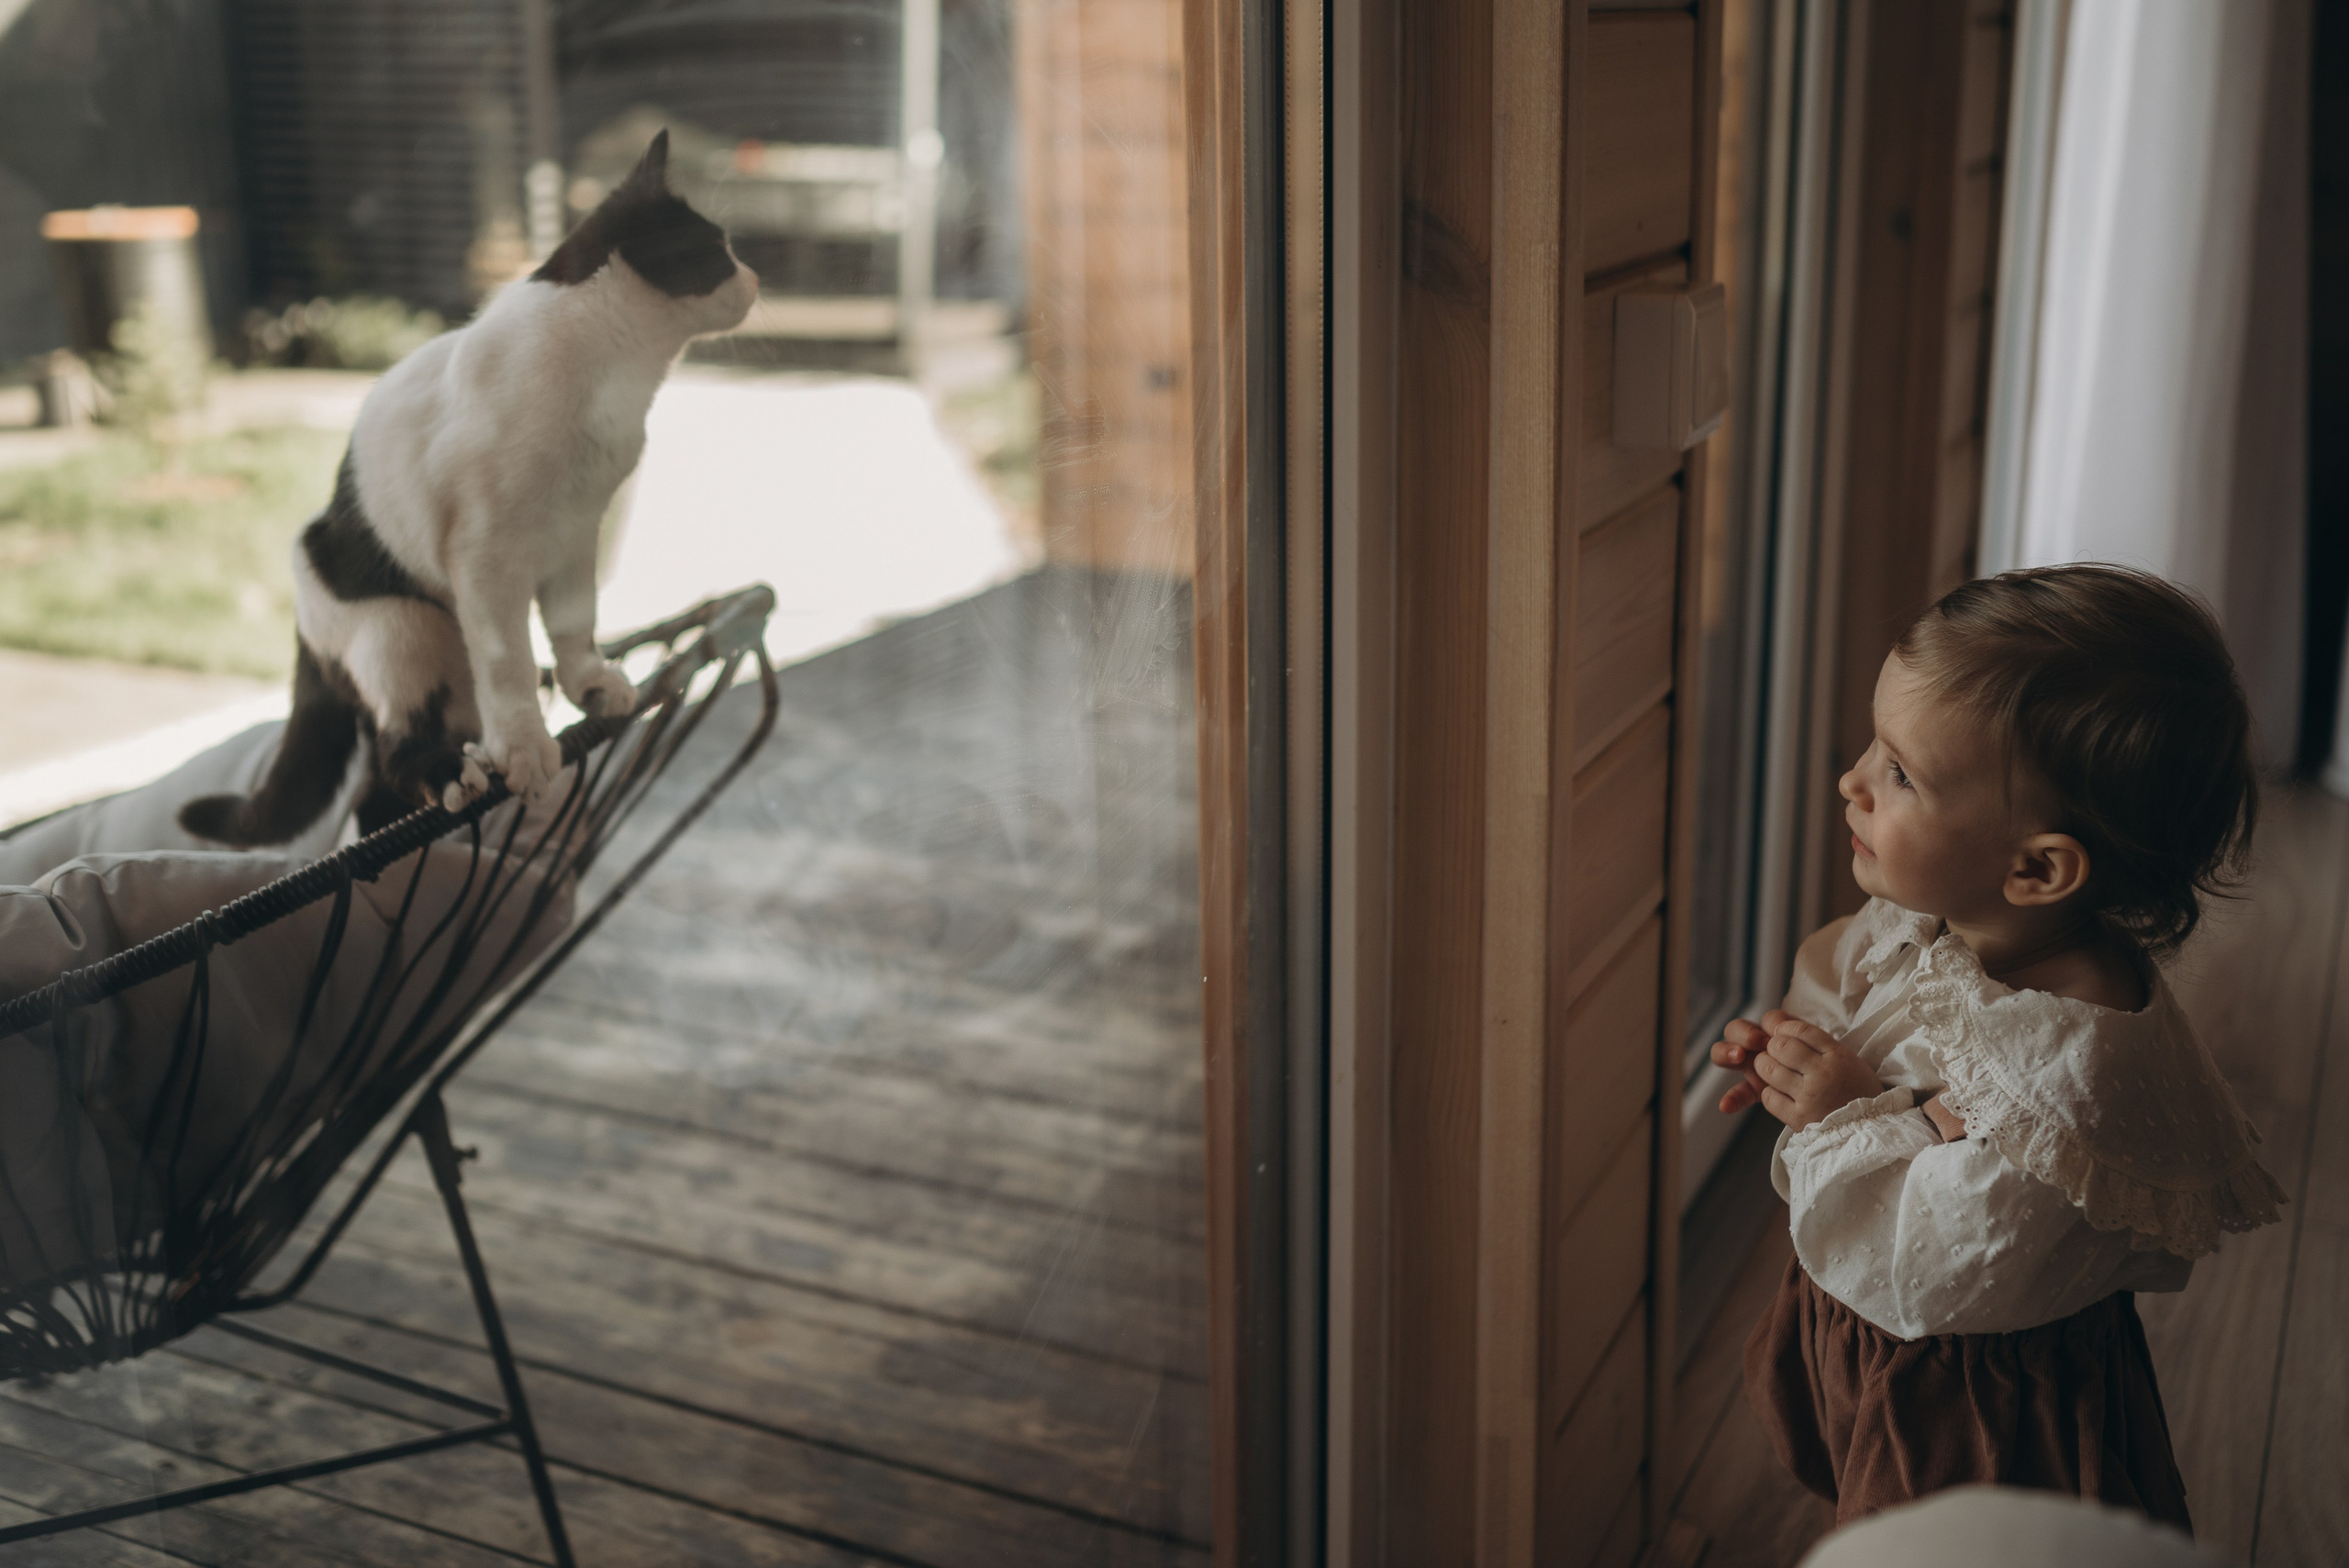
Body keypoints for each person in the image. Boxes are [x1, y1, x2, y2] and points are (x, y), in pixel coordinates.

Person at [1712, 564, 2285, 1530]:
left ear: (2037, 868)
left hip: (1960, 1396)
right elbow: (1872, 1008)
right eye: (1876, 744)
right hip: (1882, 1333)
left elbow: (1939, 1262)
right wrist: (1801, 1050)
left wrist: (1845, 1111)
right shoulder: (1955, 917)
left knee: (1935, 1540)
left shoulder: (2069, 1068)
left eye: (1900, 773)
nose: (1852, 778)